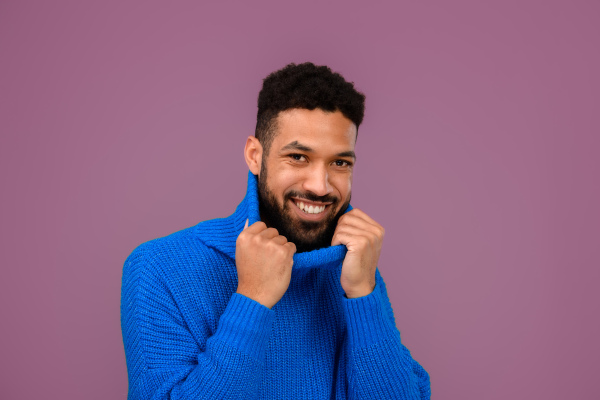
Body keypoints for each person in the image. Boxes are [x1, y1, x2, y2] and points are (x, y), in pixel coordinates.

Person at [120, 62, 431, 399]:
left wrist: (363, 294)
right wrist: (252, 300)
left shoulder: (353, 271)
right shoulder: (159, 268)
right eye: (298, 157)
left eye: (340, 163)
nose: (320, 186)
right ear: (255, 156)